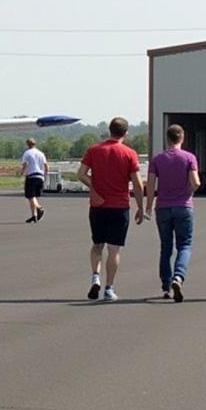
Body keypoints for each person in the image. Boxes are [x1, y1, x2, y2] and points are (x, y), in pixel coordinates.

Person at [76, 117, 145, 301]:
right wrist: (140, 207)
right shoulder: (129, 153)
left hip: (98, 206)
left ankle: (95, 276)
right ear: (126, 133)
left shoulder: (94, 150)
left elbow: (81, 174)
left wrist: (94, 188)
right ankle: (109, 287)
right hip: (119, 206)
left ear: (109, 130)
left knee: (97, 245)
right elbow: (137, 183)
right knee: (114, 250)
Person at [144, 124, 200, 301]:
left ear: (167, 139)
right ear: (181, 138)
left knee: (166, 247)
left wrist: (148, 207)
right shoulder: (189, 157)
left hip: (163, 207)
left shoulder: (158, 159)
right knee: (184, 245)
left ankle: (166, 286)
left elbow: (151, 184)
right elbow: (196, 182)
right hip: (183, 206)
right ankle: (178, 276)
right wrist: (189, 192)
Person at [20, 138, 48, 223]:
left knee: (30, 196)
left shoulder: (27, 153)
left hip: (32, 176)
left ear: (28, 144)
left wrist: (22, 172)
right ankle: (34, 215)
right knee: (34, 197)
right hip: (40, 176)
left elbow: (25, 164)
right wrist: (45, 175)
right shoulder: (41, 153)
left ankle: (39, 208)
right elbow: (46, 165)